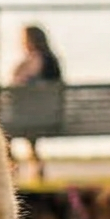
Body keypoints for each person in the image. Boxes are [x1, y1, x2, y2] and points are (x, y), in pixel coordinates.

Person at [6, 24, 64, 181]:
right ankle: (36, 168)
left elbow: (18, 85)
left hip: (35, 117)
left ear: (31, 40)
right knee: (28, 132)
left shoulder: (36, 60)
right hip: (51, 116)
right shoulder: (52, 60)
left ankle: (12, 167)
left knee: (3, 130)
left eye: (24, 39)